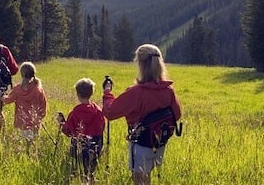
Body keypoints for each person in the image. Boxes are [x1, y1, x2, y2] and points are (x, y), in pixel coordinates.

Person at [102, 44, 182, 185]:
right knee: (147, 177)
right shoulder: (168, 89)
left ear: (141, 64)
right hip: (160, 143)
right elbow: (177, 114)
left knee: (139, 180)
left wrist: (107, 93)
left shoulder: (136, 92)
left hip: (141, 144)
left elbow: (110, 112)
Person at [58, 78, 106, 184]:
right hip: (95, 147)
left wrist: (61, 123)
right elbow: (102, 127)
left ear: (78, 94)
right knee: (91, 172)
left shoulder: (76, 112)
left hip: (79, 148)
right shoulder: (98, 111)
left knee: (77, 171)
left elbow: (68, 131)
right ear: (91, 93)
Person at [2, 61, 47, 150]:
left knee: (22, 148)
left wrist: (2, 96)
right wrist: (39, 118)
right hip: (35, 124)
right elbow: (43, 107)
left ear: (22, 74)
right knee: (32, 147)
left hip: (21, 124)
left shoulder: (18, 89)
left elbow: (7, 101)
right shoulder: (39, 89)